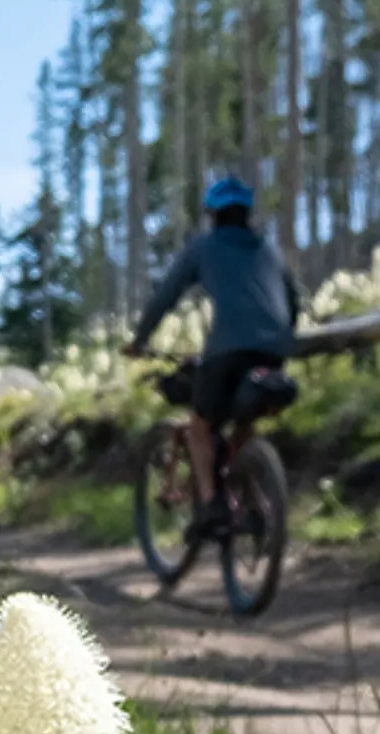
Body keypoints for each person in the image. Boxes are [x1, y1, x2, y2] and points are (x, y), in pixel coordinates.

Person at [126, 175, 304, 538]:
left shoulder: (203, 247)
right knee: (243, 420)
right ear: (247, 213)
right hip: (274, 352)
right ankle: (252, 497)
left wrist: (140, 340)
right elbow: (294, 302)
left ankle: (210, 505)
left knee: (201, 426)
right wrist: (280, 340)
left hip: (227, 350)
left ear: (212, 214)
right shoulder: (269, 249)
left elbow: (166, 297)